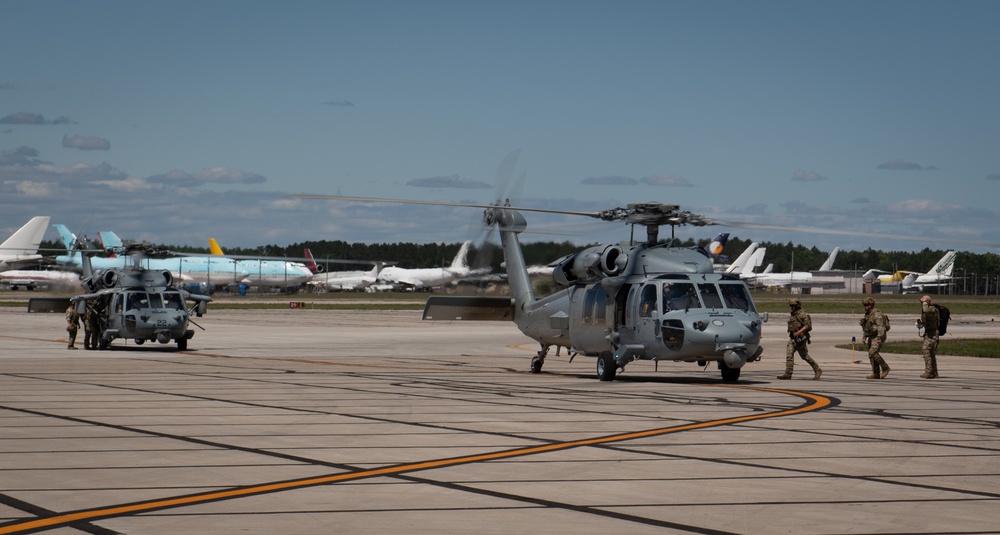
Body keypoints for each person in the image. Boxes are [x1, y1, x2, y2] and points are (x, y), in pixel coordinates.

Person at [777, 297, 822, 380]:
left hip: (800, 339)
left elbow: (808, 326)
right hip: (793, 339)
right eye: (790, 305)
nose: (791, 307)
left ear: (797, 306)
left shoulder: (803, 314)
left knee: (805, 356)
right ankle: (788, 373)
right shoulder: (794, 315)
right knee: (789, 356)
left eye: (792, 306)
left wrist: (799, 332)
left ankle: (817, 370)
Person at [860, 297, 890, 379]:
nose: (864, 307)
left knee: (873, 352)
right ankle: (876, 373)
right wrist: (864, 337)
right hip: (871, 335)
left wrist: (879, 337)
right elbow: (866, 327)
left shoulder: (877, 315)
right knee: (871, 355)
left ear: (871, 305)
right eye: (864, 305)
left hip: (878, 335)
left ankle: (885, 368)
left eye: (866, 305)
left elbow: (881, 327)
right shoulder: (868, 315)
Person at [918, 295, 940, 378]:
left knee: (926, 349)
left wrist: (925, 304)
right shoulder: (926, 310)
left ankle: (929, 372)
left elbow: (926, 310)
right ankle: (934, 372)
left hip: (933, 334)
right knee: (931, 353)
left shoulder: (932, 309)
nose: (921, 303)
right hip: (928, 333)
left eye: (923, 302)